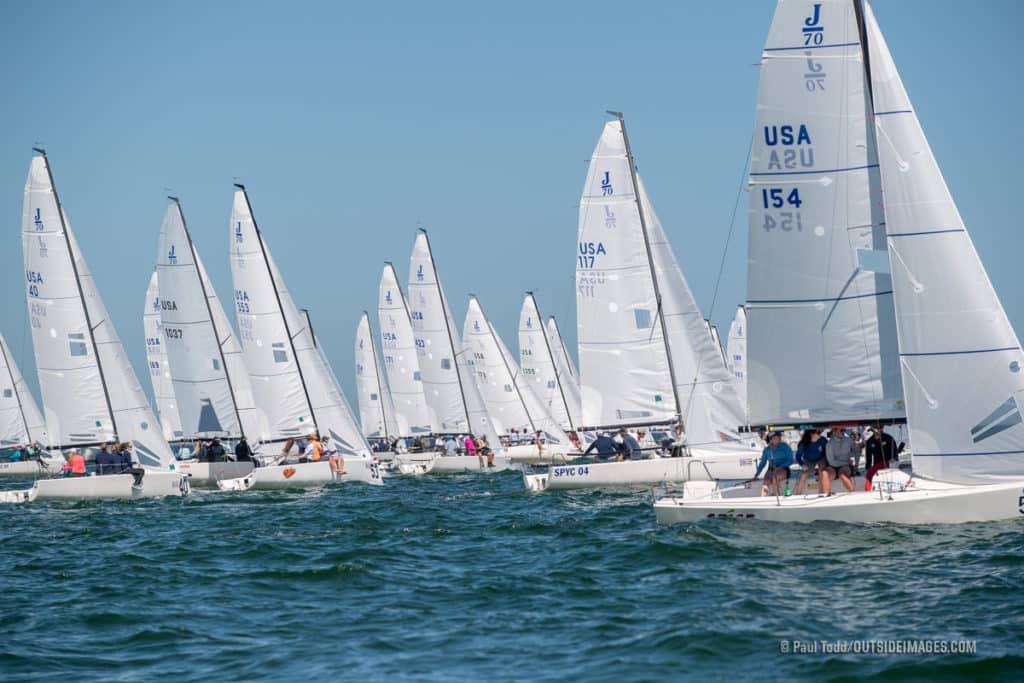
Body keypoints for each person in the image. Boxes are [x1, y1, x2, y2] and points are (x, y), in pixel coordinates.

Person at [754, 431, 793, 496]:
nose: (779, 439)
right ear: (771, 439)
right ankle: (762, 500)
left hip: (783, 469)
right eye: (776, 438)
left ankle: (775, 495)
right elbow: (762, 463)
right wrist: (757, 474)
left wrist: (780, 467)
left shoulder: (785, 447)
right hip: (771, 470)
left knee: (775, 478)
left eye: (779, 437)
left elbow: (790, 460)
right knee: (765, 483)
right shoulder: (767, 450)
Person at [863, 424, 901, 489]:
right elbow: (868, 457)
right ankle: (868, 491)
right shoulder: (869, 441)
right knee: (869, 474)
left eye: (880, 427)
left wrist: (894, 459)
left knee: (871, 472)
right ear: (872, 428)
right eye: (876, 427)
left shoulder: (889, 438)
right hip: (877, 464)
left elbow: (895, 452)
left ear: (883, 428)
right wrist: (868, 467)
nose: (878, 429)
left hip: (889, 463)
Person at [822, 426, 857, 495]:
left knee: (842, 474)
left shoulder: (849, 440)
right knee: (824, 473)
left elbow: (856, 451)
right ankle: (826, 495)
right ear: (834, 431)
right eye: (842, 430)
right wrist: (846, 462)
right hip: (834, 466)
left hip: (845, 466)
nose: (844, 432)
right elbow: (831, 462)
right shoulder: (829, 444)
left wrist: (854, 461)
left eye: (844, 430)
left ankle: (853, 493)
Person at [794, 429, 827, 494]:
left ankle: (821, 492)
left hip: (821, 458)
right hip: (809, 460)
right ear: (811, 434)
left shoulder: (823, 440)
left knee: (821, 470)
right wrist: (802, 464)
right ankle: (798, 493)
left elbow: (827, 451)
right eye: (818, 432)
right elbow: (798, 456)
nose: (820, 434)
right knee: (805, 473)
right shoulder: (804, 444)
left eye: (820, 432)